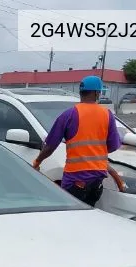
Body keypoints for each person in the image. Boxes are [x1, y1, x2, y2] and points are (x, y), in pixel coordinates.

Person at [32, 75, 126, 206]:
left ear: (81, 92)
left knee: (69, 216)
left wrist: (37, 161)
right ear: (96, 93)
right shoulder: (107, 115)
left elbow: (50, 146)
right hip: (96, 180)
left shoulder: (69, 115)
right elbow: (113, 145)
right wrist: (95, 152)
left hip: (75, 181)